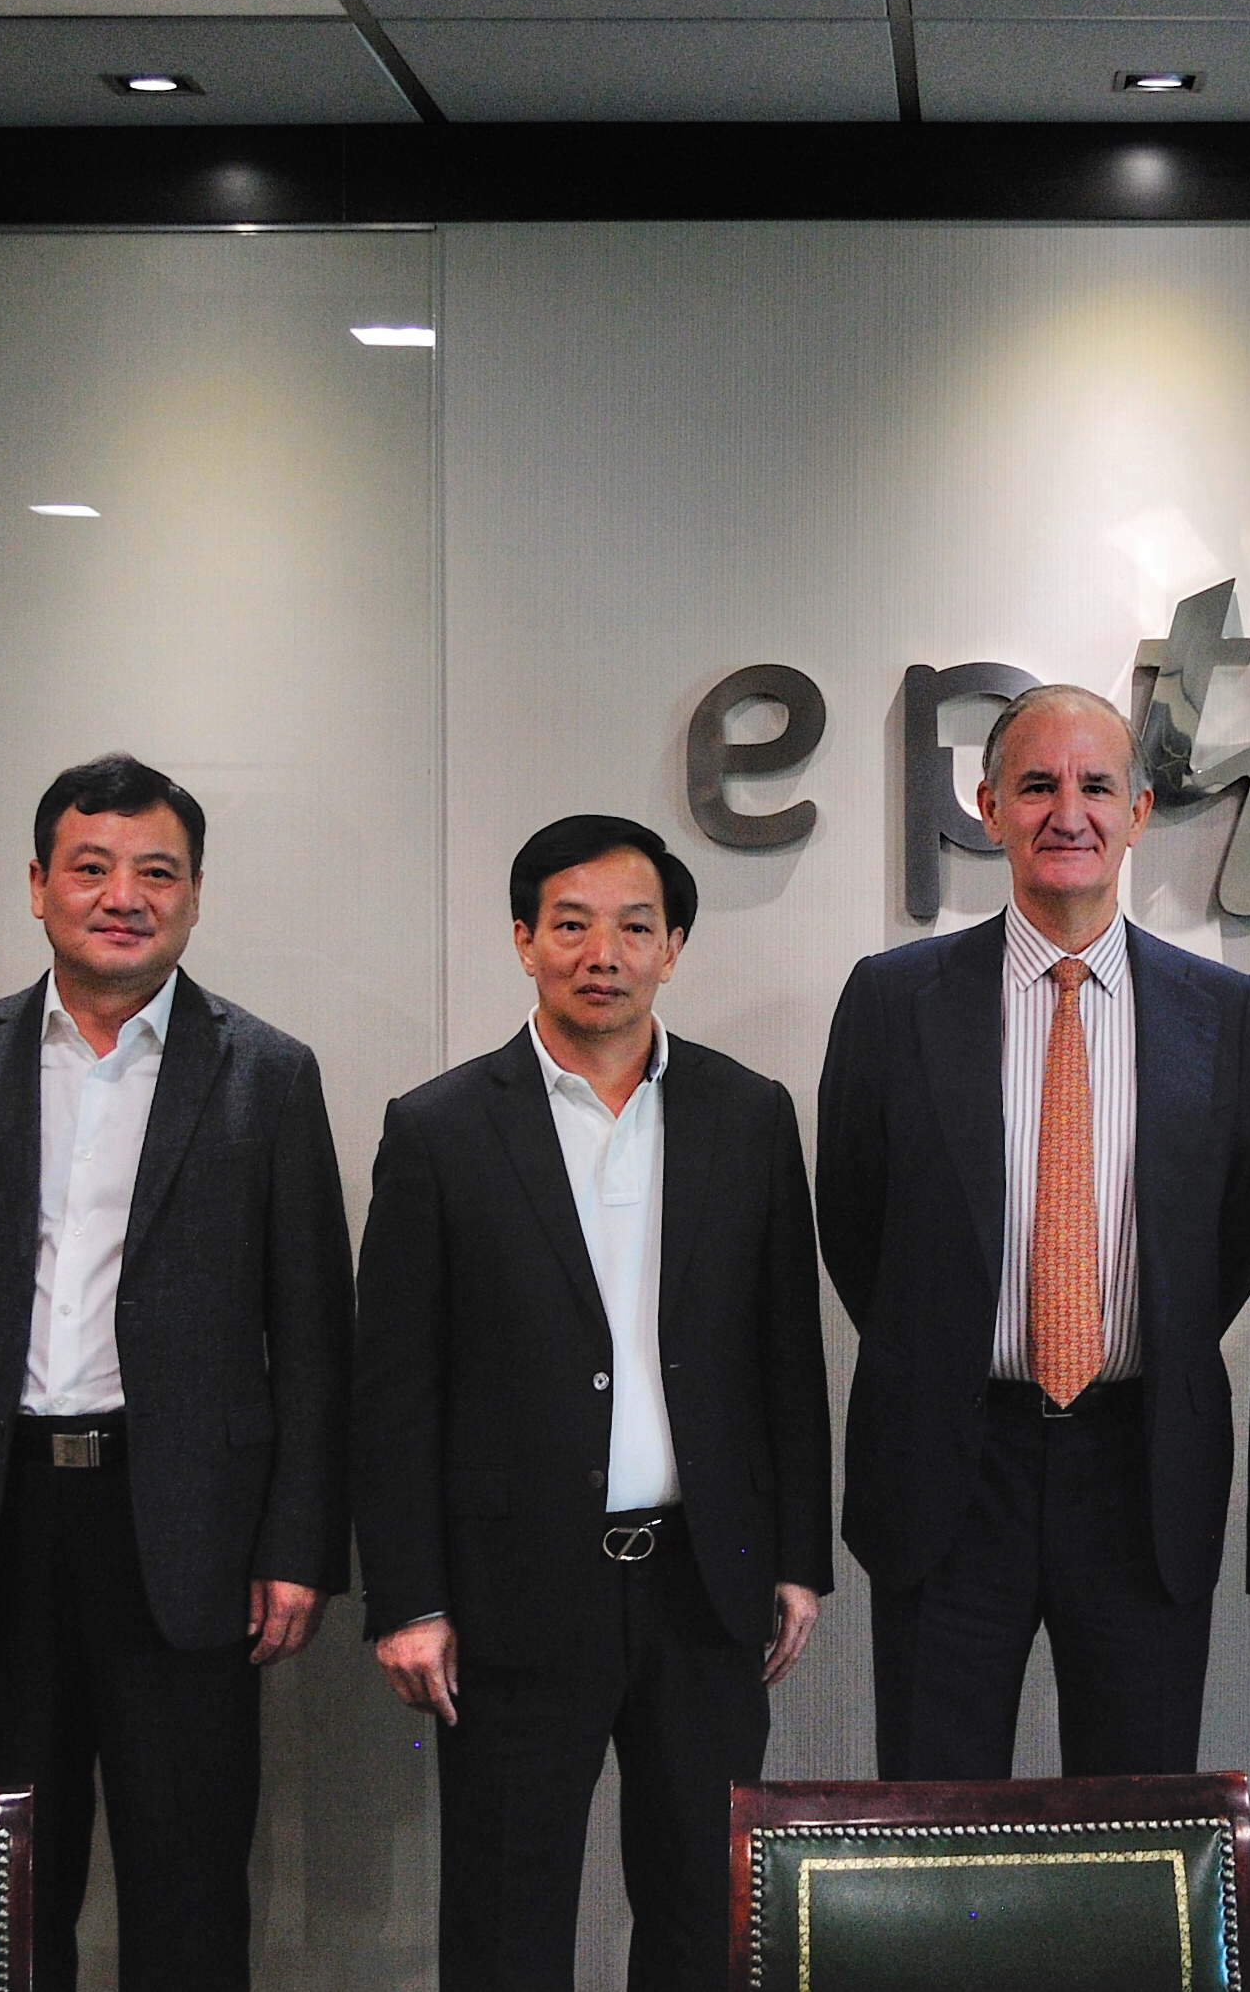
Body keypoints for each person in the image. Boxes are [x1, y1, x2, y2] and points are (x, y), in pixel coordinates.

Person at [0, 754, 351, 1992]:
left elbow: (314, 1337)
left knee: (190, 1885)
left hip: (187, 1530)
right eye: (91, 868)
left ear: (193, 894)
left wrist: (297, 1544)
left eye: (156, 872)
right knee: (9, 1887)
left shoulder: (268, 1072)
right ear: (38, 885)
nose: (123, 896)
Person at [353, 815, 832, 1992]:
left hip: (701, 1585)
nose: (601, 953)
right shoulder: (439, 1128)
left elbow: (786, 1355)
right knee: (506, 1923)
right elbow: (393, 1390)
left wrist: (796, 1557)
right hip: (513, 1588)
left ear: (673, 947)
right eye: (569, 925)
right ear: (524, 940)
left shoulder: (749, 1114)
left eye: (633, 926)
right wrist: (409, 1596)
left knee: (702, 1917)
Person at [814, 682, 1250, 1779]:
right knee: (935, 1816)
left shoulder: (1223, 1011)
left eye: (1095, 786)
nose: (1067, 812)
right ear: (988, 808)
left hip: (1139, 1467)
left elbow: (1232, 1238)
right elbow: (856, 1225)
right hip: (949, 1464)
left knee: (1136, 1821)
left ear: (1139, 812)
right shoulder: (893, 998)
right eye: (1035, 785)